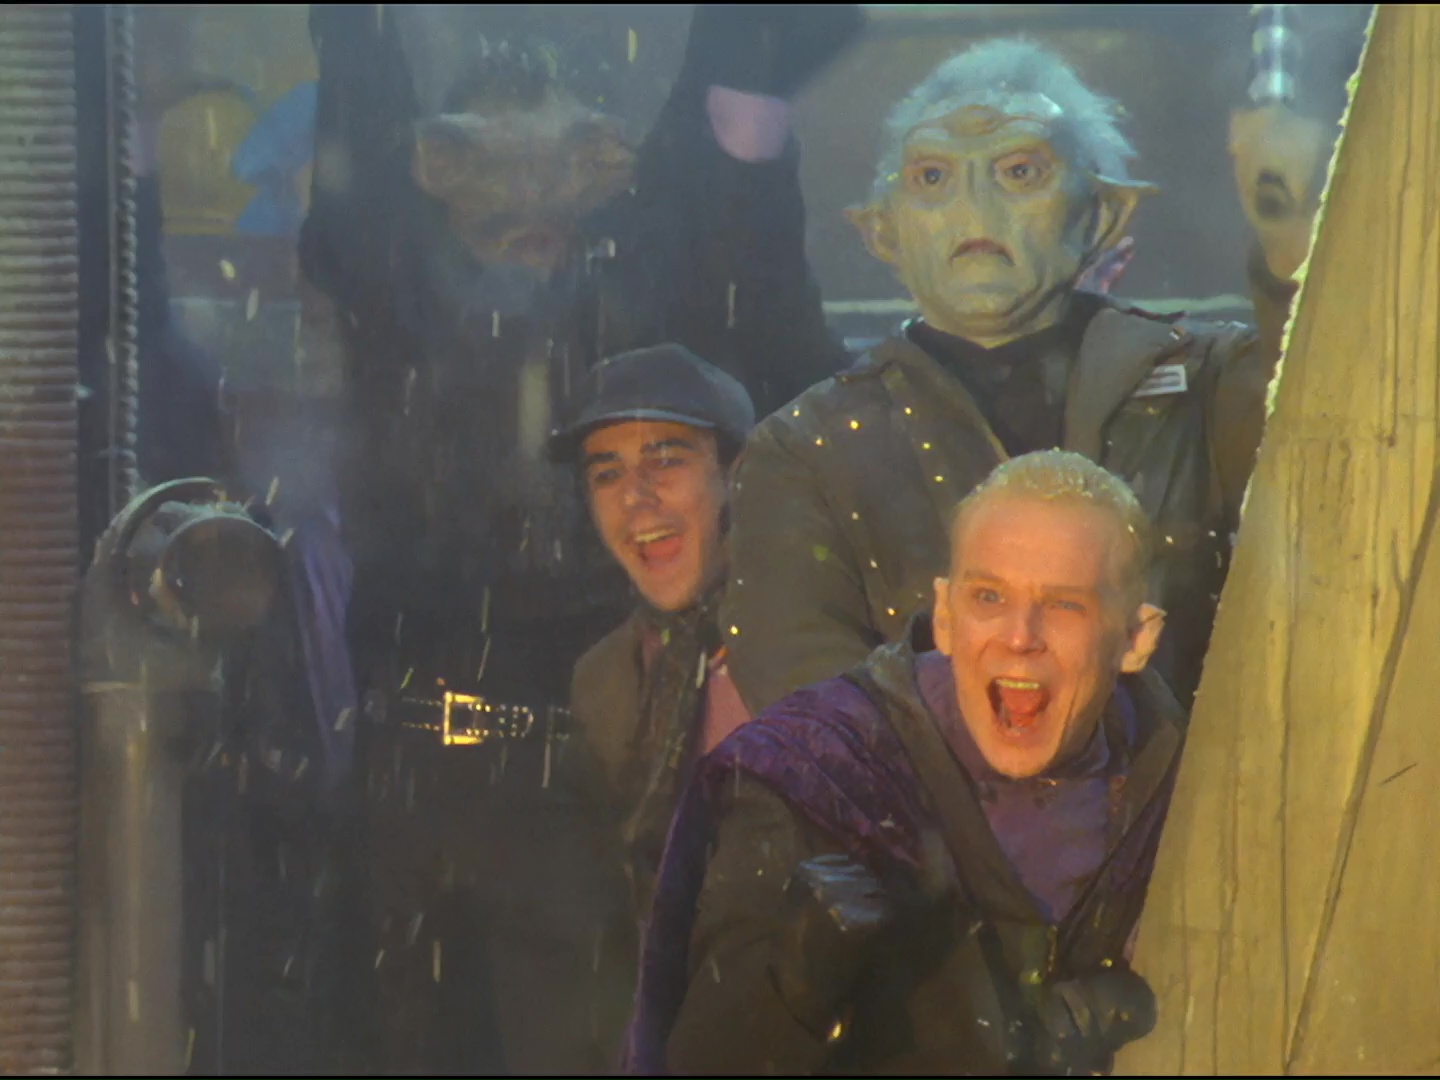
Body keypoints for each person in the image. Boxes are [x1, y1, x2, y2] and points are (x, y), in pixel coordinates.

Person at [720, 37, 1306, 715]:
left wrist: (1290, 233)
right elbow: (815, 718)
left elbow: (1344, 439)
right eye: (932, 177)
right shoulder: (805, 452)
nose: (975, 209)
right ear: (882, 232)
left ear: (1104, 213)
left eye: (1020, 171)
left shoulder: (1204, 386)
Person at [628, 451, 1183, 1075]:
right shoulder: (814, 780)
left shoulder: (1180, 797)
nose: (1020, 636)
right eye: (989, 596)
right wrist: (792, 989)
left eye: (1064, 606)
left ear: (1136, 639)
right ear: (945, 615)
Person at [549, 344, 756, 1063]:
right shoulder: (600, 681)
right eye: (607, 474)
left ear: (735, 474)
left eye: (666, 459)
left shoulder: (805, 652)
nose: (636, 498)